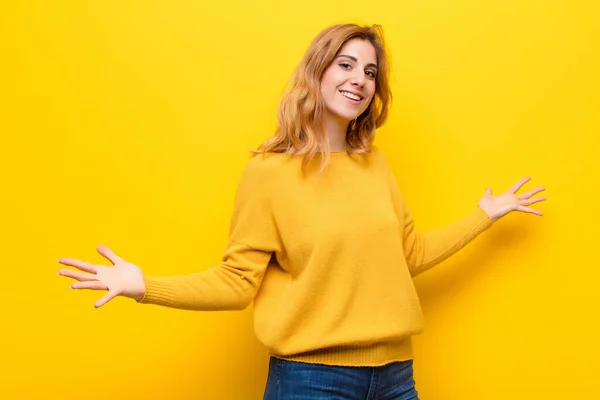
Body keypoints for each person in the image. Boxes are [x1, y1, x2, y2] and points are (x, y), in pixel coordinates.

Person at [57, 23, 546, 399]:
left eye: (370, 72)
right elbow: (237, 282)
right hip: (312, 381)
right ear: (318, 71)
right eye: (346, 65)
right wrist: (146, 287)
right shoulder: (268, 174)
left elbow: (408, 255)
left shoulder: (374, 164)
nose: (360, 80)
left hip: (396, 376)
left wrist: (485, 214)